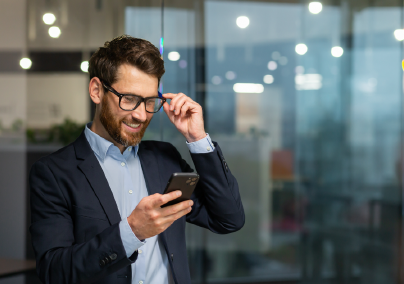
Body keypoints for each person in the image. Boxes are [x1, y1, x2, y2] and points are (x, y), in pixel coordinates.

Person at [29, 35, 245, 284]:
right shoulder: (53, 173)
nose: (141, 115)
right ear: (96, 91)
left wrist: (197, 138)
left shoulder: (164, 159)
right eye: (129, 99)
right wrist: (130, 232)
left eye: (150, 101)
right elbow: (54, 272)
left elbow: (229, 219)